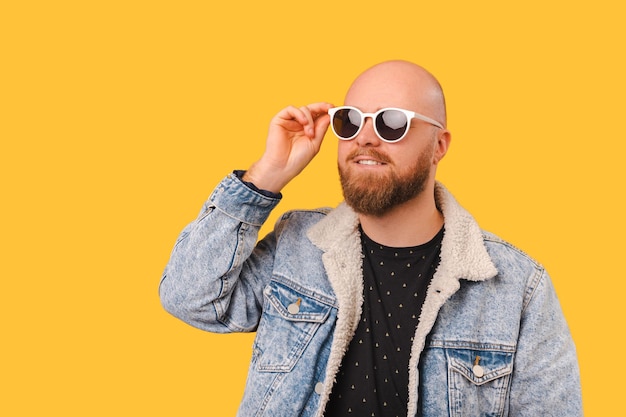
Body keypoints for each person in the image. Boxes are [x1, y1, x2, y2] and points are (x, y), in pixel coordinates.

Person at [159, 60, 582, 416]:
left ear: (439, 145)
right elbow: (189, 297)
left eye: (392, 122)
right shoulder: (297, 243)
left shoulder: (516, 287)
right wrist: (266, 177)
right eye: (350, 120)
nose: (365, 136)